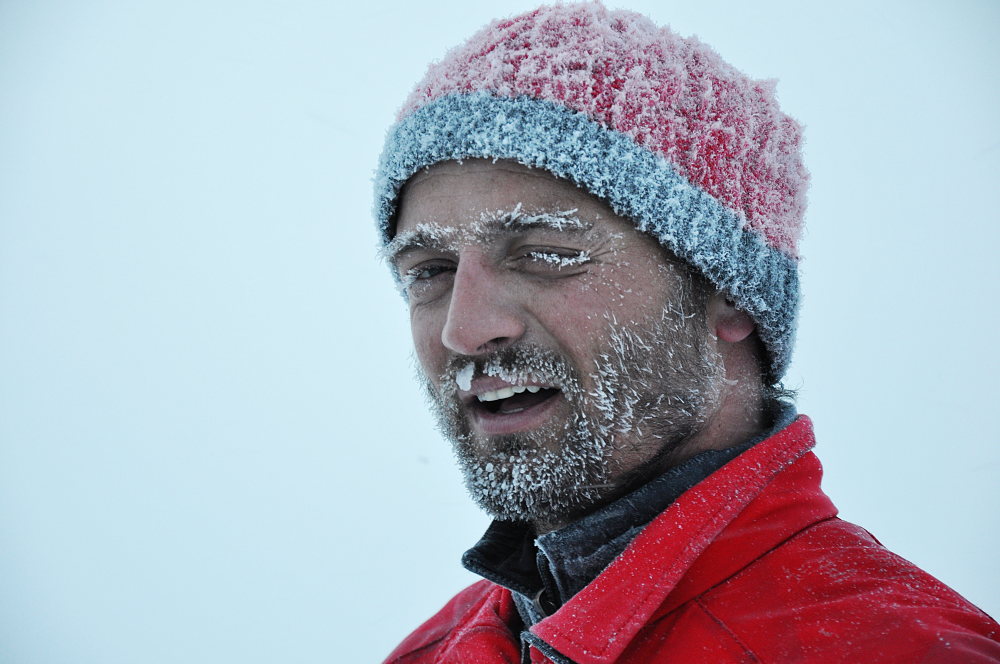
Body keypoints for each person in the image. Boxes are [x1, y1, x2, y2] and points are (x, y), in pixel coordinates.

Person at [373, 3, 1000, 662]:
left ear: (729, 292)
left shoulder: (904, 651)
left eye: (545, 253)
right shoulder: (431, 652)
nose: (464, 330)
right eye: (430, 272)